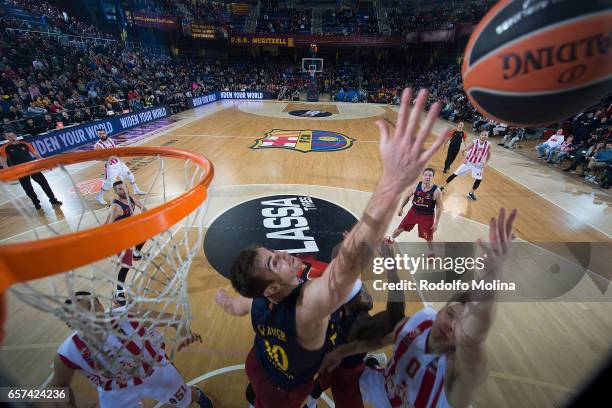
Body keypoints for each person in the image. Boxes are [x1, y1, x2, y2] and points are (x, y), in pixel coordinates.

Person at [214, 88, 447, 408]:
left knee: (301, 372)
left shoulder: (258, 299)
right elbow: (349, 261)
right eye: (272, 262)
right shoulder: (307, 310)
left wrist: (230, 303)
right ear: (270, 289)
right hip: (281, 392)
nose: (281, 253)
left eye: (271, 251)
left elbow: (244, 305)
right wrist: (392, 183)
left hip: (259, 359)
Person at [320, 208, 517, 408]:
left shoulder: (458, 373)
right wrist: (340, 353)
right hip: (383, 388)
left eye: (462, 326)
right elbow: (380, 340)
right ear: (440, 311)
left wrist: (490, 279)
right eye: (450, 315)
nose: (451, 326)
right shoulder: (422, 320)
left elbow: (473, 338)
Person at [48, 291, 213, 408]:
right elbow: (54, 388)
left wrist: (183, 332)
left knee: (185, 399)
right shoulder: (69, 352)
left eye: (92, 304)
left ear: (100, 304)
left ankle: (196, 394)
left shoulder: (128, 314)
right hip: (115, 390)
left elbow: (177, 320)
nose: (90, 313)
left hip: (154, 371)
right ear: (70, 324)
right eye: (80, 313)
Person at [384, 168, 443, 259]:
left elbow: (439, 208)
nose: (427, 177)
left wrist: (436, 223)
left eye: (430, 175)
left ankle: (432, 253)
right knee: (400, 228)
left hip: (427, 216)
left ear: (433, 177)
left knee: (428, 237)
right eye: (426, 175)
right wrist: (401, 207)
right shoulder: (415, 186)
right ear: (423, 176)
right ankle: (391, 239)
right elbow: (407, 196)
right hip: (413, 212)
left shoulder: (436, 191)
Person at [105, 180, 146, 303]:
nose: (123, 191)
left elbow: (144, 208)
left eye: (124, 188)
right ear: (116, 192)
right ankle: (119, 293)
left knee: (145, 233)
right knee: (126, 266)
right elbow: (107, 226)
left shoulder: (131, 197)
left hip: (129, 231)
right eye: (120, 189)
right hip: (118, 237)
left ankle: (136, 253)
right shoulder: (116, 207)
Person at [0, 130, 62, 210]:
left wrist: (46, 164)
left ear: (15, 135)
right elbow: (4, 163)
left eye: (12, 136)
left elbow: (37, 155)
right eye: (8, 137)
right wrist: (7, 173)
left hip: (32, 168)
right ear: (6, 138)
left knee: (44, 183)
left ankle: (53, 199)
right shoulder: (4, 148)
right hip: (20, 171)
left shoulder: (25, 144)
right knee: (28, 188)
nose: (11, 138)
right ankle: (36, 203)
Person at [94, 128, 145, 205]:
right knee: (108, 184)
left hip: (119, 163)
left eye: (103, 133)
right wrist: (108, 158)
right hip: (110, 166)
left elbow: (116, 151)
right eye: (100, 134)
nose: (102, 135)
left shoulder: (111, 140)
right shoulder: (98, 145)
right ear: (98, 135)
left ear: (106, 133)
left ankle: (136, 190)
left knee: (131, 176)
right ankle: (99, 196)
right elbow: (97, 158)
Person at [440, 131, 492, 201]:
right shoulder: (473, 142)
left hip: (478, 164)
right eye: (482, 135)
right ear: (480, 135)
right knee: (455, 174)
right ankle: (442, 186)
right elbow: (462, 150)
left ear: (487, 136)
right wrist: (464, 158)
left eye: (485, 135)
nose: (484, 136)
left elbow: (489, 154)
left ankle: (471, 193)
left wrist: (486, 162)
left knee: (479, 179)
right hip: (468, 162)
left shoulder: (489, 144)